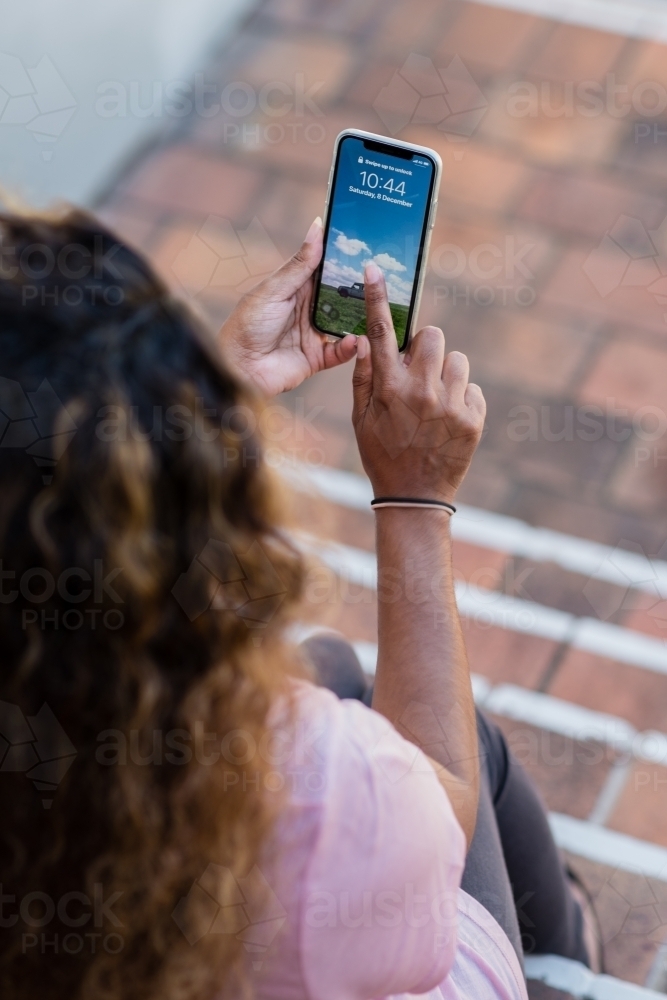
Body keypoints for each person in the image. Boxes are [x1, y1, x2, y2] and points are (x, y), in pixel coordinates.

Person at [0, 209, 595, 1000]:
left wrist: (191, 421)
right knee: (468, 750)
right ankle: (565, 962)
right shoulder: (309, 784)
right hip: (374, 935)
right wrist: (415, 503)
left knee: (337, 666)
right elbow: (437, 812)